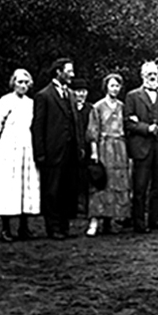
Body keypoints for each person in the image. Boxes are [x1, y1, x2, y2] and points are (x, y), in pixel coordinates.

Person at [31, 58, 83, 240]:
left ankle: (64, 226)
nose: (72, 75)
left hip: (70, 152)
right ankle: (53, 228)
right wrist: (40, 153)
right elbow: (38, 127)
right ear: (58, 72)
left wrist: (79, 146)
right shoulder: (44, 96)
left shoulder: (70, 94)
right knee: (52, 191)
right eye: (69, 71)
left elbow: (76, 123)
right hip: (53, 152)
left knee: (67, 190)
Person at [124, 61, 158, 233]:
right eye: (149, 74)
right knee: (140, 187)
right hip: (142, 148)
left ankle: (155, 220)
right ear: (142, 76)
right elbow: (128, 123)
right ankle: (139, 223)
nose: (153, 77)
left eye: (155, 73)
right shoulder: (133, 96)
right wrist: (147, 128)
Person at [0, 69, 40, 242]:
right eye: (20, 82)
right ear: (13, 83)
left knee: (25, 184)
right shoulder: (5, 101)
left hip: (27, 147)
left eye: (26, 82)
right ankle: (6, 228)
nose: (23, 85)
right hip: (10, 147)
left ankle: (23, 227)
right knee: (8, 184)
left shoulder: (31, 103)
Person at [86, 74, 132, 237]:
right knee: (101, 183)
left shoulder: (122, 106)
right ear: (106, 87)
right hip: (104, 147)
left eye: (117, 86)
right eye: (112, 85)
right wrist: (94, 152)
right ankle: (94, 222)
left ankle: (110, 221)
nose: (115, 89)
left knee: (117, 183)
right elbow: (93, 131)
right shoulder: (98, 106)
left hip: (120, 147)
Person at [72, 78, 92, 218]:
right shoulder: (69, 107)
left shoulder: (90, 109)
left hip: (87, 147)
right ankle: (73, 207)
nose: (81, 94)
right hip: (72, 147)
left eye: (84, 91)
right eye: (78, 91)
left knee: (86, 178)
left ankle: (85, 206)